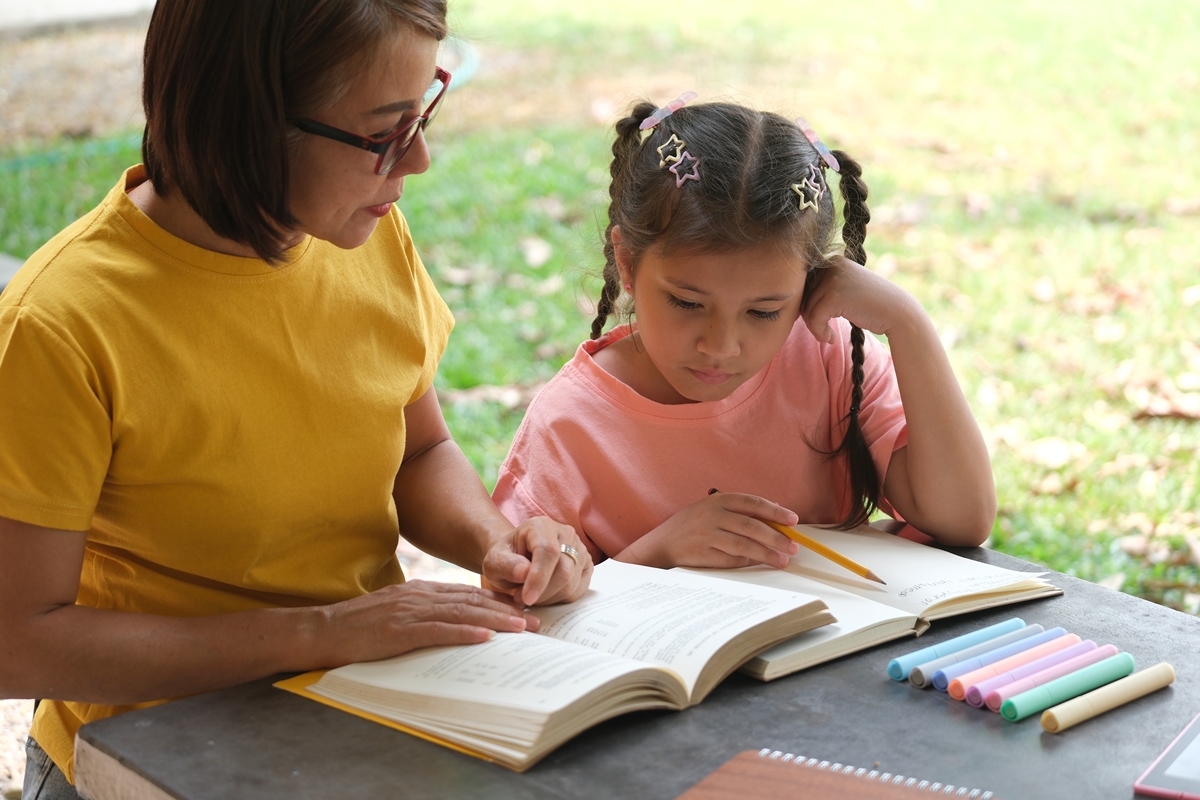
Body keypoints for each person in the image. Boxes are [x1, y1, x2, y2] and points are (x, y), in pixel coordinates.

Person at [0, 2, 592, 796]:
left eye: (423, 114)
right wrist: (316, 632)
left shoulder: (362, 229)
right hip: (149, 754)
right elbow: (18, 642)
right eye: (384, 133)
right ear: (248, 123)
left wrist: (496, 542)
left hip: (351, 709)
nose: (416, 162)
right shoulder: (62, 325)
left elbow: (420, 450)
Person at [493, 96, 996, 569]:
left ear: (809, 285)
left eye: (764, 312)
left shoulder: (826, 357)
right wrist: (659, 551)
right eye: (688, 303)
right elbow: (534, 615)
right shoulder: (569, 428)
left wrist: (908, 324)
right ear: (627, 262)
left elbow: (962, 518)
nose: (721, 346)